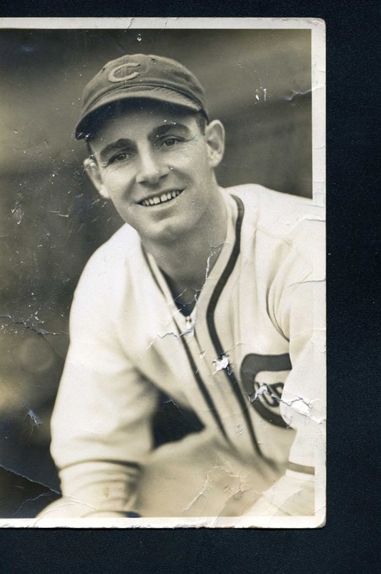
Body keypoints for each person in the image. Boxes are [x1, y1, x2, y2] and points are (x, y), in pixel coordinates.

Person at [43, 54, 325, 520]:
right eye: (120, 154)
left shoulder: (307, 251)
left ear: (212, 144)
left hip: (340, 475)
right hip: (244, 466)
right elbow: (94, 463)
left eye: (169, 140)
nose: (149, 170)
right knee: (64, 520)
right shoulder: (109, 278)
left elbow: (328, 469)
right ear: (98, 178)